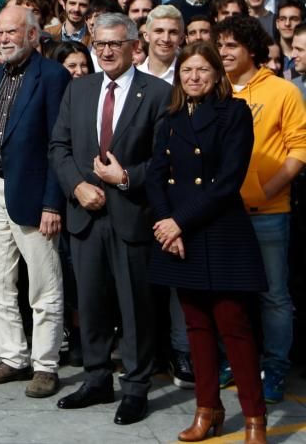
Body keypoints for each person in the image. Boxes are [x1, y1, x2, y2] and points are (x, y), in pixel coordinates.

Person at [49, 13, 172, 426]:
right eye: (99, 44)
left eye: (114, 44)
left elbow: (164, 162)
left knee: (135, 308)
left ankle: (136, 388)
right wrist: (76, 188)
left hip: (131, 216)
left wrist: (125, 178)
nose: (105, 51)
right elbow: (59, 147)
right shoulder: (78, 89)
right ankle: (97, 378)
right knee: (92, 303)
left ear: (135, 46)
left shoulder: (156, 93)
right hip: (85, 216)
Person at [145, 42, 268, 444]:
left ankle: (254, 418)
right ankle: (207, 408)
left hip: (219, 231)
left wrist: (177, 222)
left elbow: (228, 180)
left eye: (202, 70)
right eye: (186, 72)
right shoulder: (170, 118)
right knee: (196, 326)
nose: (194, 78)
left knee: (234, 327)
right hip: (179, 235)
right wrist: (166, 224)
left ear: (217, 74)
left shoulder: (234, 113)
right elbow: (156, 177)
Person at [0, 6, 70, 398]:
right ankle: (13, 357)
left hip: (34, 193)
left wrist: (52, 203)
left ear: (33, 35)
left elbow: (58, 144)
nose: (4, 39)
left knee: (44, 285)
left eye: (12, 32)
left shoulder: (53, 77)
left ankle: (46, 365)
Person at [216, 15, 306, 404]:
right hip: (220, 214)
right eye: (220, 45)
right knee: (228, 294)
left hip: (270, 213)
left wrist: (265, 191)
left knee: (273, 296)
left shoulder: (283, 91)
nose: (223, 52)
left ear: (251, 49)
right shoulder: (214, 90)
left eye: (231, 45)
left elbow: (299, 150)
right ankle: (236, 362)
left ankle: (276, 369)